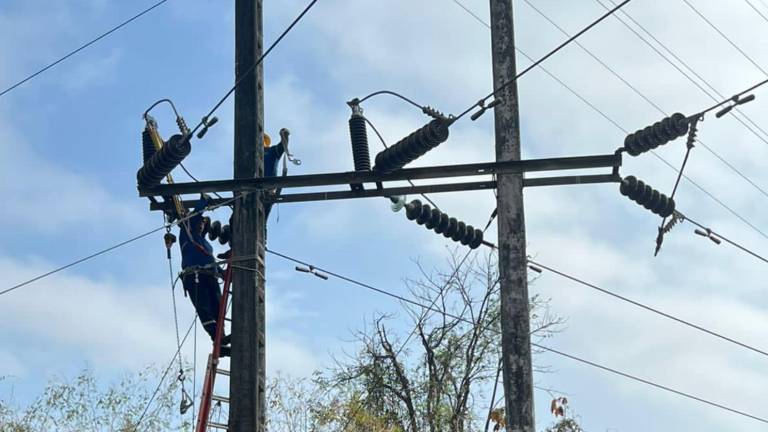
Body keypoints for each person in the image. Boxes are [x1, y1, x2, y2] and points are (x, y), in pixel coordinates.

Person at [179, 195, 231, 356]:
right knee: (204, 309)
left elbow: (209, 259)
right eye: (201, 222)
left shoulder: (204, 243)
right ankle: (216, 337)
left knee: (218, 309)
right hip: (195, 276)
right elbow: (194, 217)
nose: (202, 225)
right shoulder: (186, 234)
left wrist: (223, 273)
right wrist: (204, 201)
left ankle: (220, 343)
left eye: (204, 224)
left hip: (209, 275)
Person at [263, 128, 292, 220]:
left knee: (262, 219)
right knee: (235, 220)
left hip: (268, 191)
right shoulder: (248, 155)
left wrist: (284, 135)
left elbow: (283, 145)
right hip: (249, 190)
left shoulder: (271, 151)